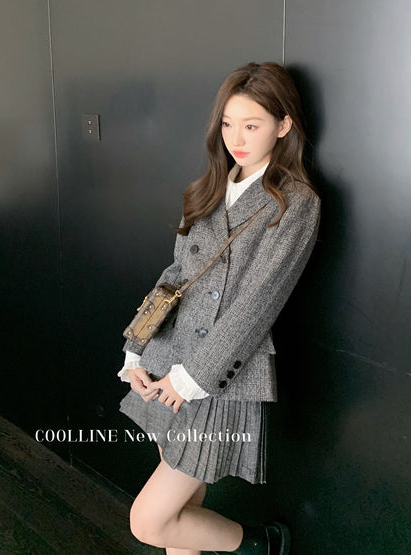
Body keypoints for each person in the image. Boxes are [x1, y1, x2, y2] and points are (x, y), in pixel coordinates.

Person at [117, 61, 321, 554]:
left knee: (149, 522)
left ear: (283, 125)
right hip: (168, 362)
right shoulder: (209, 186)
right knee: (181, 511)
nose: (237, 138)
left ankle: (257, 545)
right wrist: (136, 348)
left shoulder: (295, 202)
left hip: (216, 378)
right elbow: (175, 276)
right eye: (229, 124)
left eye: (252, 125)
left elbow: (258, 305)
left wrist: (192, 379)